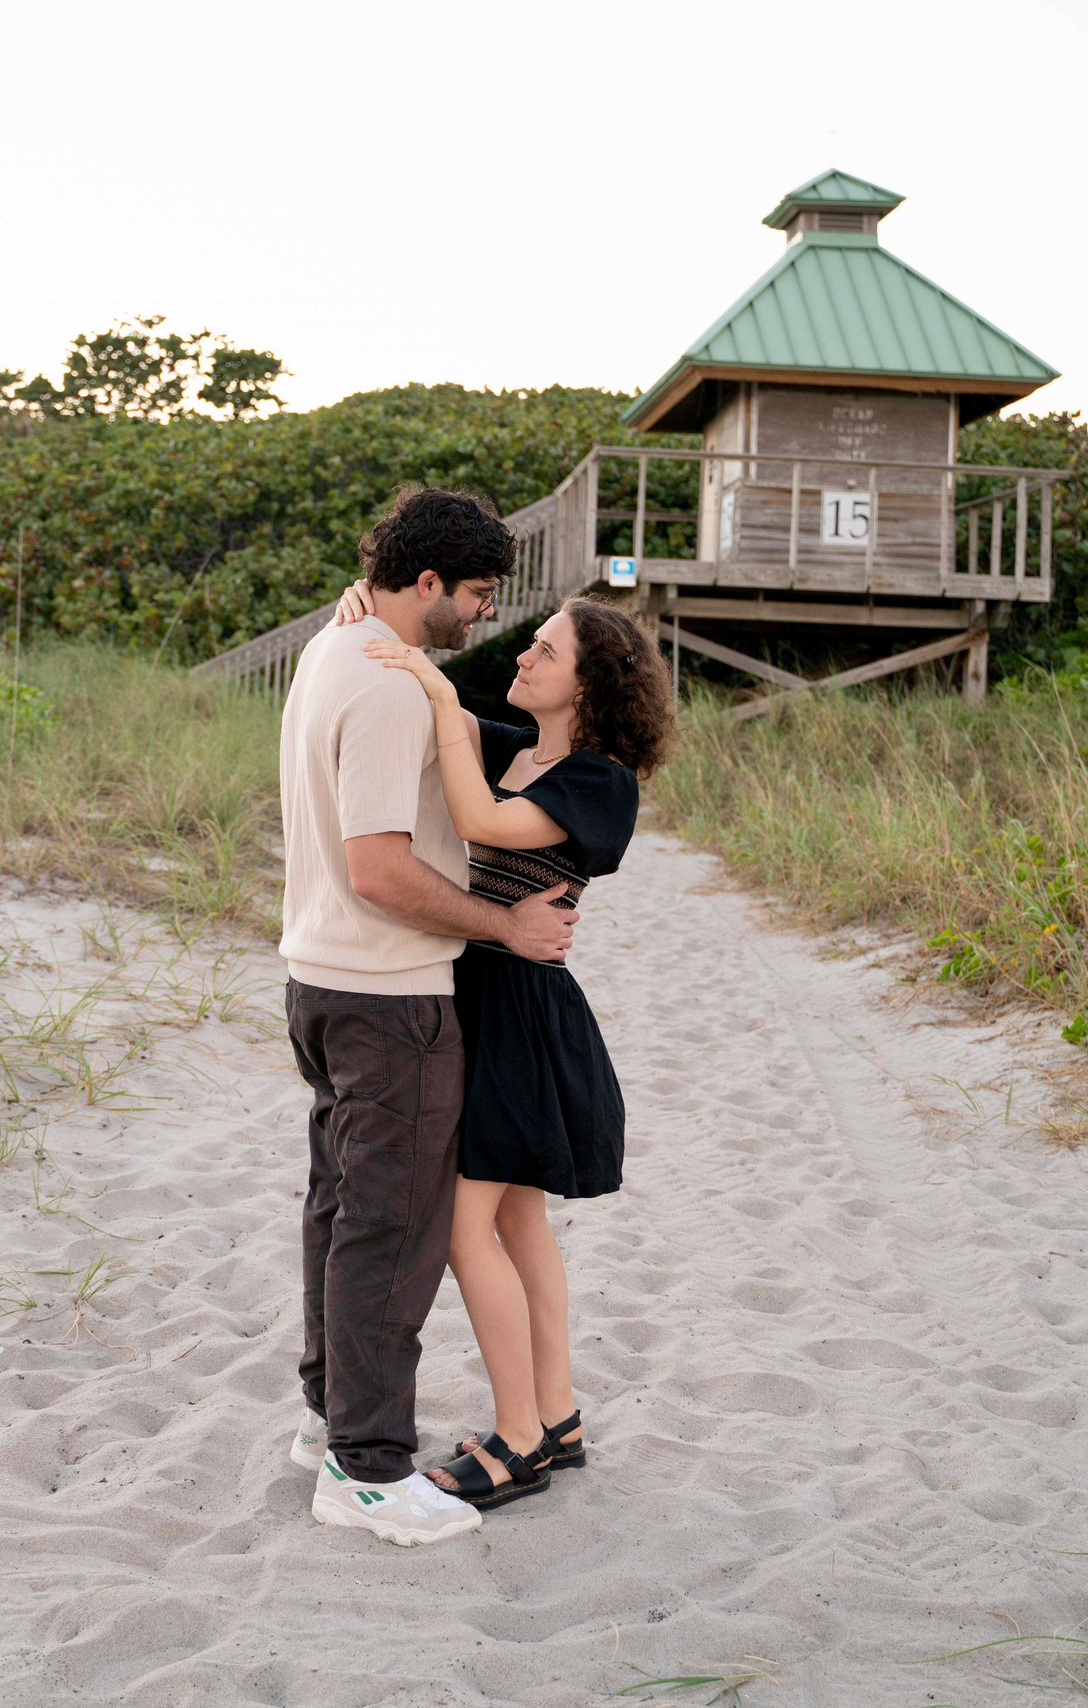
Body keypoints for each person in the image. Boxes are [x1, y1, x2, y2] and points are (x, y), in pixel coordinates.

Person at [279, 487, 582, 1548]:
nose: (482, 617)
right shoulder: (390, 689)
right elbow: (380, 871)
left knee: (341, 1205)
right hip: (386, 991)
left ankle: (330, 1417)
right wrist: (503, 927)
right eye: (476, 595)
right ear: (425, 584)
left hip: (319, 983)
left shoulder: (336, 646)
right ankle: (364, 1468)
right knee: (393, 1229)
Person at [334, 584, 674, 1513]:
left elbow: (482, 823)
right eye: (531, 643)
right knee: (519, 1222)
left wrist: (442, 696)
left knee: (461, 1226)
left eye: (548, 652)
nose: (523, 655)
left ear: (590, 687)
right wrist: (363, 618)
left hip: (523, 1015)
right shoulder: (515, 748)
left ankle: (519, 1439)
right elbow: (422, 722)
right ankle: (556, 1417)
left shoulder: (599, 781)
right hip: (485, 996)